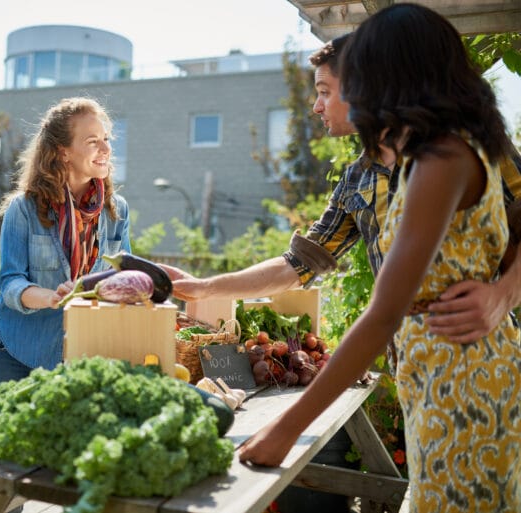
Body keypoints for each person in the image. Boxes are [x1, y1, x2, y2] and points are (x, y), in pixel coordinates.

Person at [238, 4, 521, 512]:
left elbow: (384, 312)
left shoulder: (443, 158)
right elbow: (311, 259)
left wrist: (286, 431)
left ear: (394, 75)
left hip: (464, 378)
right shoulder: (428, 156)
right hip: (439, 371)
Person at [162, 33, 521, 345]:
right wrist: (206, 287)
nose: (316, 106)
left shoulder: (469, 149)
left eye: (324, 92)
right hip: (412, 364)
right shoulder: (357, 179)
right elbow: (298, 264)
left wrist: (502, 297)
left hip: (491, 355)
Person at [0, 97, 131, 388]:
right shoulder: (23, 209)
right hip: (11, 351)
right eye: (93, 141)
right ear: (63, 152)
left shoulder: (116, 211)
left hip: (78, 352)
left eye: (107, 139)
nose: (106, 149)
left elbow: (124, 275)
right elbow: (10, 283)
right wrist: (51, 297)